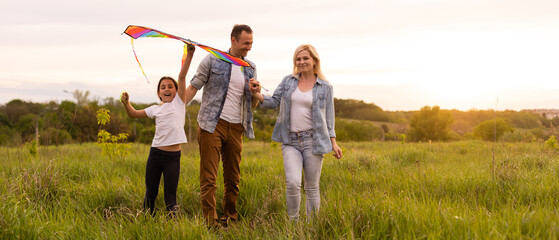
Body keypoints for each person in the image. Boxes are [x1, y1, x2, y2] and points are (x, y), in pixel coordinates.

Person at [250, 44, 343, 221]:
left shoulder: (325, 87)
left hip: (313, 141)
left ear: (314, 60)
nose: (301, 62)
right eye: (298, 59)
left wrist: (334, 142)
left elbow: (329, 119)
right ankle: (293, 224)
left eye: (305, 58)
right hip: (290, 141)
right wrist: (257, 94)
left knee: (312, 188)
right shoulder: (288, 81)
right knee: (293, 183)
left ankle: (311, 228)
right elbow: (274, 101)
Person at [181, 24, 258, 228]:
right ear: (233, 40)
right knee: (209, 178)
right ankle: (211, 223)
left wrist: (256, 93)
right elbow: (193, 86)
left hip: (236, 127)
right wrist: (177, 107)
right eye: (245, 43)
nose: (248, 47)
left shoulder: (250, 67)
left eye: (251, 43)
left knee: (233, 178)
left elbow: (253, 103)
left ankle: (230, 219)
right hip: (211, 124)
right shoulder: (212, 59)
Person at [120, 44, 195, 216]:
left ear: (177, 92)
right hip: (155, 155)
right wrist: (126, 103)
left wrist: (189, 55)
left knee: (170, 196)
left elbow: (182, 77)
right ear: (159, 94)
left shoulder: (179, 103)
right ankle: (147, 221)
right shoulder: (155, 109)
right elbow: (133, 114)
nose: (167, 89)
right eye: (163, 87)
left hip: (172, 158)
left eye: (170, 86)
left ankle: (172, 226)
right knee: (150, 193)